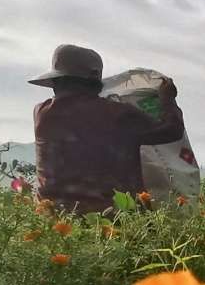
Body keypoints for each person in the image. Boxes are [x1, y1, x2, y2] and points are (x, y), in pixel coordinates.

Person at [30, 44, 185, 214]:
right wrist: (168, 99)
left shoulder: (41, 113)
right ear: (95, 81)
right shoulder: (117, 114)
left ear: (56, 82)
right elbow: (171, 130)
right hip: (111, 223)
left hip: (52, 220)